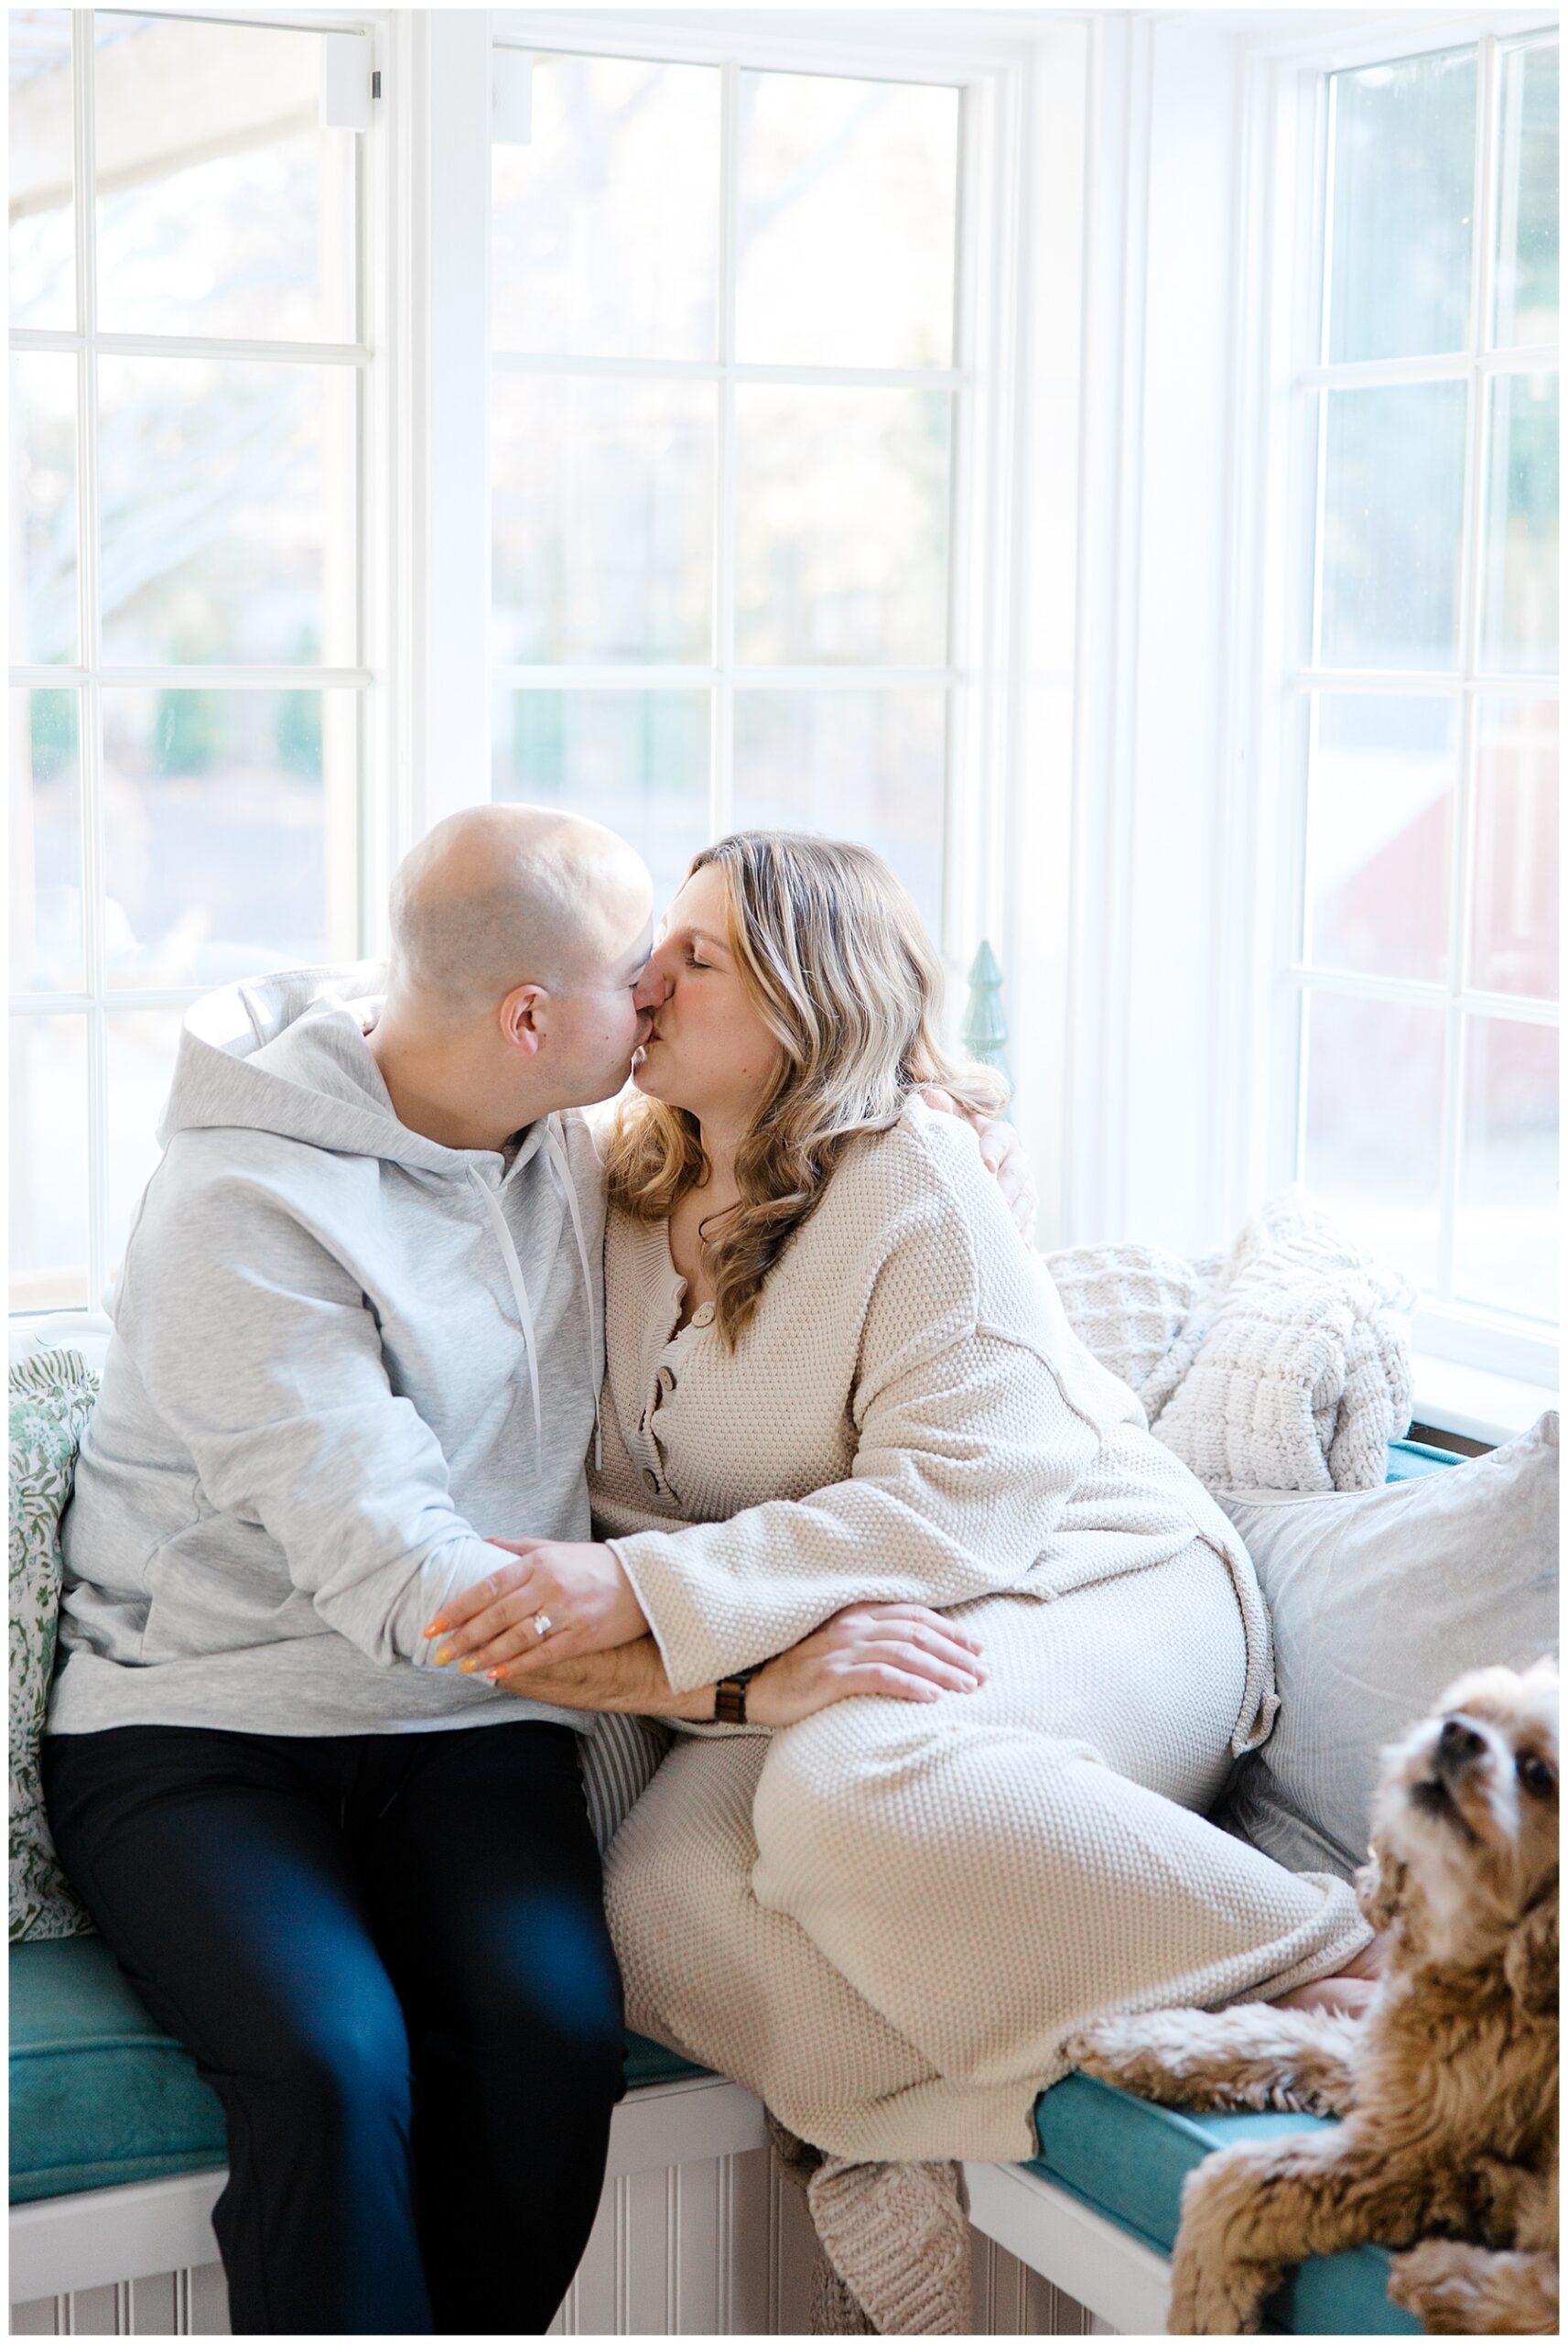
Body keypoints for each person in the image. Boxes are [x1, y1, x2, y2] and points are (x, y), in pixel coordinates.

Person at [44, 806, 1011, 2337]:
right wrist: (751, 1681)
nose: (657, 997)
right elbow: (426, 1591)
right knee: (328, 2062)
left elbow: (793, 1094)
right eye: (641, 970)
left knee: (550, 2038)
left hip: (467, 1736)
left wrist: (938, 1122)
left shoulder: (563, 1142)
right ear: (529, 1017)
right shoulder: (241, 1218)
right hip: (203, 1734)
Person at [426, 830, 1373, 2174]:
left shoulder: (911, 1178)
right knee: (653, 1904)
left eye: (694, 961)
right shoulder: (619, 1190)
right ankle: (1020, 2124)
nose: (644, 987)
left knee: (847, 1787)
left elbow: (960, 1502)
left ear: (806, 997)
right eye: (651, 956)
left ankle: (1333, 1960)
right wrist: (672, 1652)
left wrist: (645, 1598)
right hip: (841, 1631)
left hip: (1095, 1580)